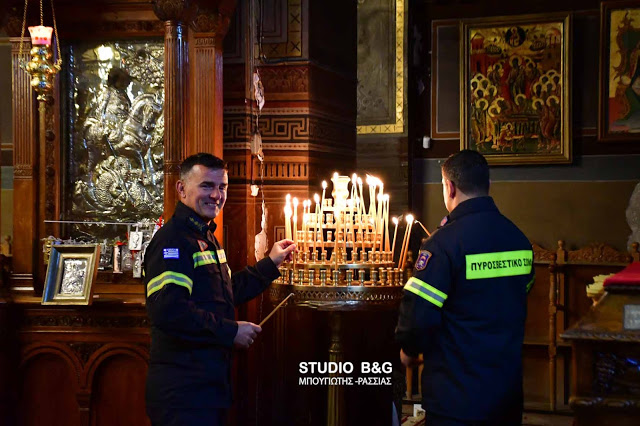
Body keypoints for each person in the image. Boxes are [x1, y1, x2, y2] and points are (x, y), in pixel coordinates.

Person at [144, 153, 296, 426]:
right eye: (206, 186)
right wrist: (231, 331)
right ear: (181, 188)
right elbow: (169, 310)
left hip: (207, 387)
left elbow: (224, 293)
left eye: (222, 187)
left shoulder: (204, 236)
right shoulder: (174, 240)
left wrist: (270, 263)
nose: (216, 195)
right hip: (183, 392)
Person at [395, 150, 534, 426]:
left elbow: (419, 316)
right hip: (506, 393)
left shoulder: (443, 245)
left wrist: (408, 351)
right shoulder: (518, 238)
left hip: (456, 397)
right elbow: (521, 292)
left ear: (450, 187)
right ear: (488, 185)